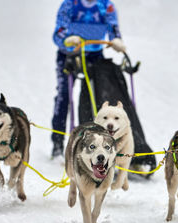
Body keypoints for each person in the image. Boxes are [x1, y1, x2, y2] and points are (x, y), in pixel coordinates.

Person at [51, 0, 126, 158]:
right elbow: (58, 31)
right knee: (64, 96)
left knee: (97, 96)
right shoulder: (69, 4)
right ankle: (57, 143)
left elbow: (113, 27)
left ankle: (98, 140)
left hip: (94, 55)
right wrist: (66, 39)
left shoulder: (106, 5)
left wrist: (116, 39)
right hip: (69, 55)